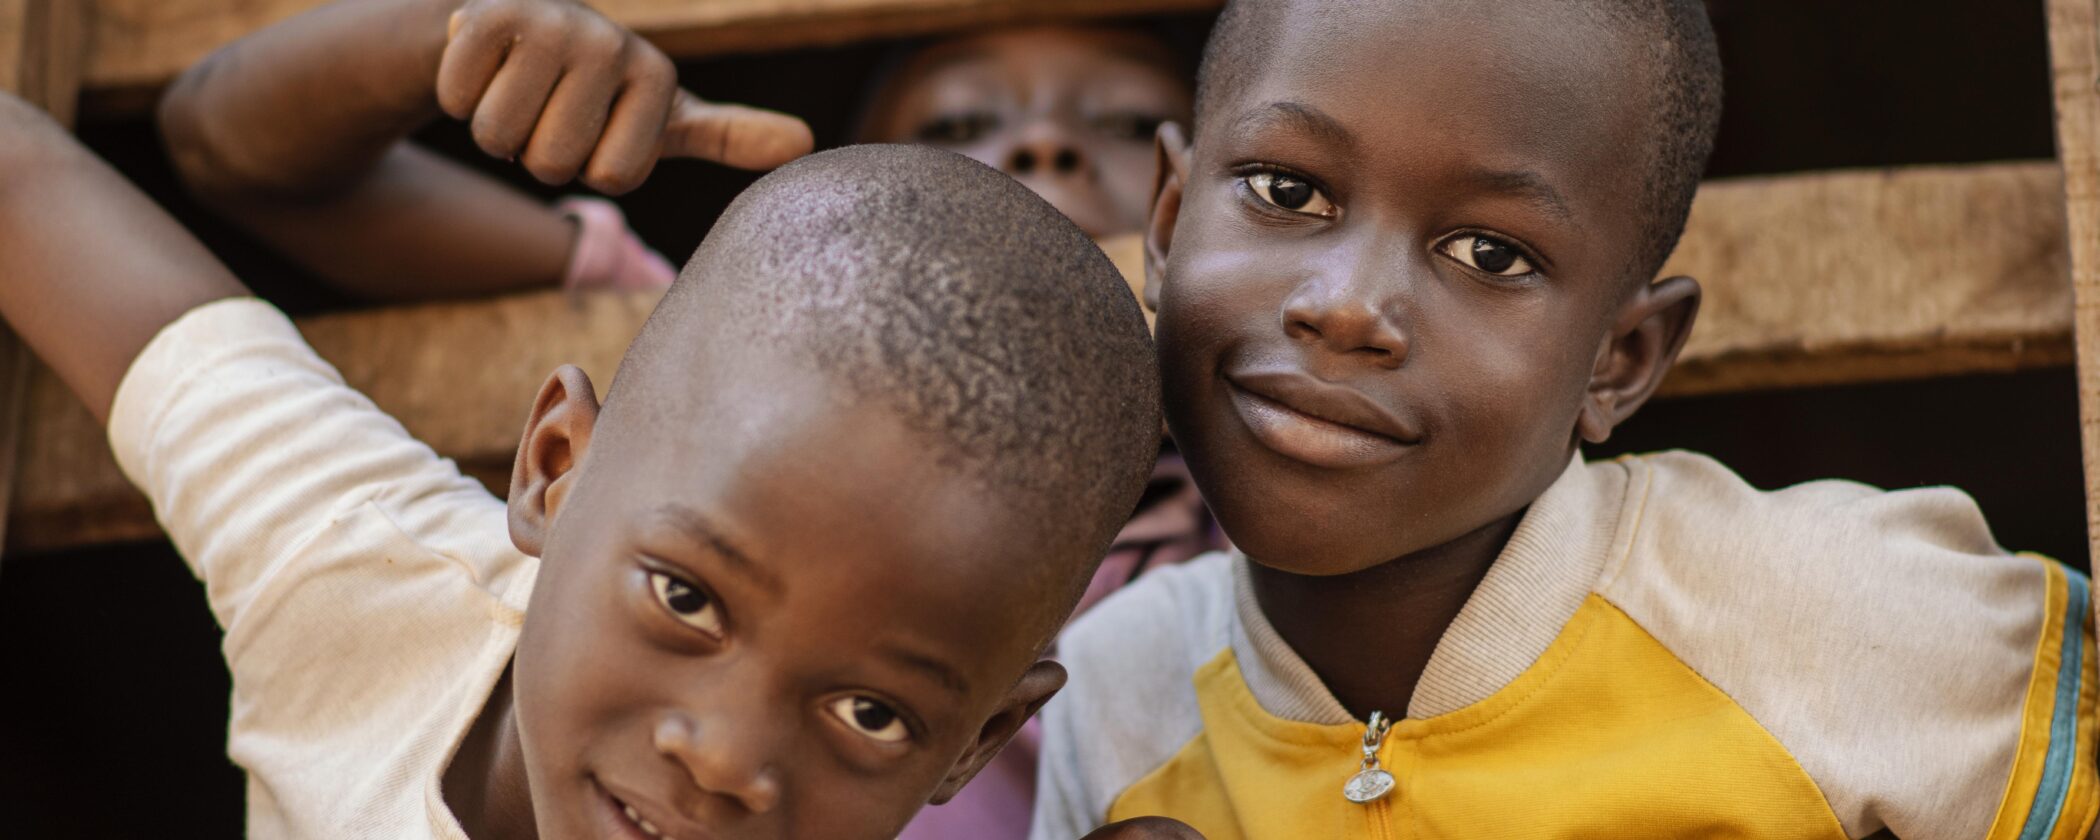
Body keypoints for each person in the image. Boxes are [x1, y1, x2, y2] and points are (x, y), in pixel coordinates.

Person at [0, 76, 1188, 838]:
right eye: (684, 597)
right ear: (554, 467)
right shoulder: (356, 572)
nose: (724, 761)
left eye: (871, 714)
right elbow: (28, 182)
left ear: (974, 744)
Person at [1033, 1, 2100, 838]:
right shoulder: (1120, 692)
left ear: (1620, 360)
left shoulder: (1838, 615)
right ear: (1168, 226)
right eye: (1286, 189)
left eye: (1490, 254)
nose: (1347, 304)